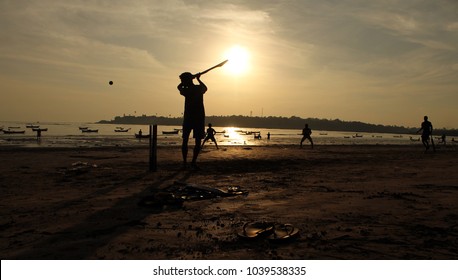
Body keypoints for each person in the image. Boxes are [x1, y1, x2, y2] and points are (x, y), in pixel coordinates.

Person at [178, 72, 208, 169]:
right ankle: (190, 162)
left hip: (192, 118)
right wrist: (198, 79)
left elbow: (179, 87)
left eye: (182, 80)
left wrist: (193, 78)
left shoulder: (186, 90)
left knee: (187, 140)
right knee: (192, 141)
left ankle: (187, 162)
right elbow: (205, 88)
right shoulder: (197, 88)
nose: (182, 82)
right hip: (197, 117)